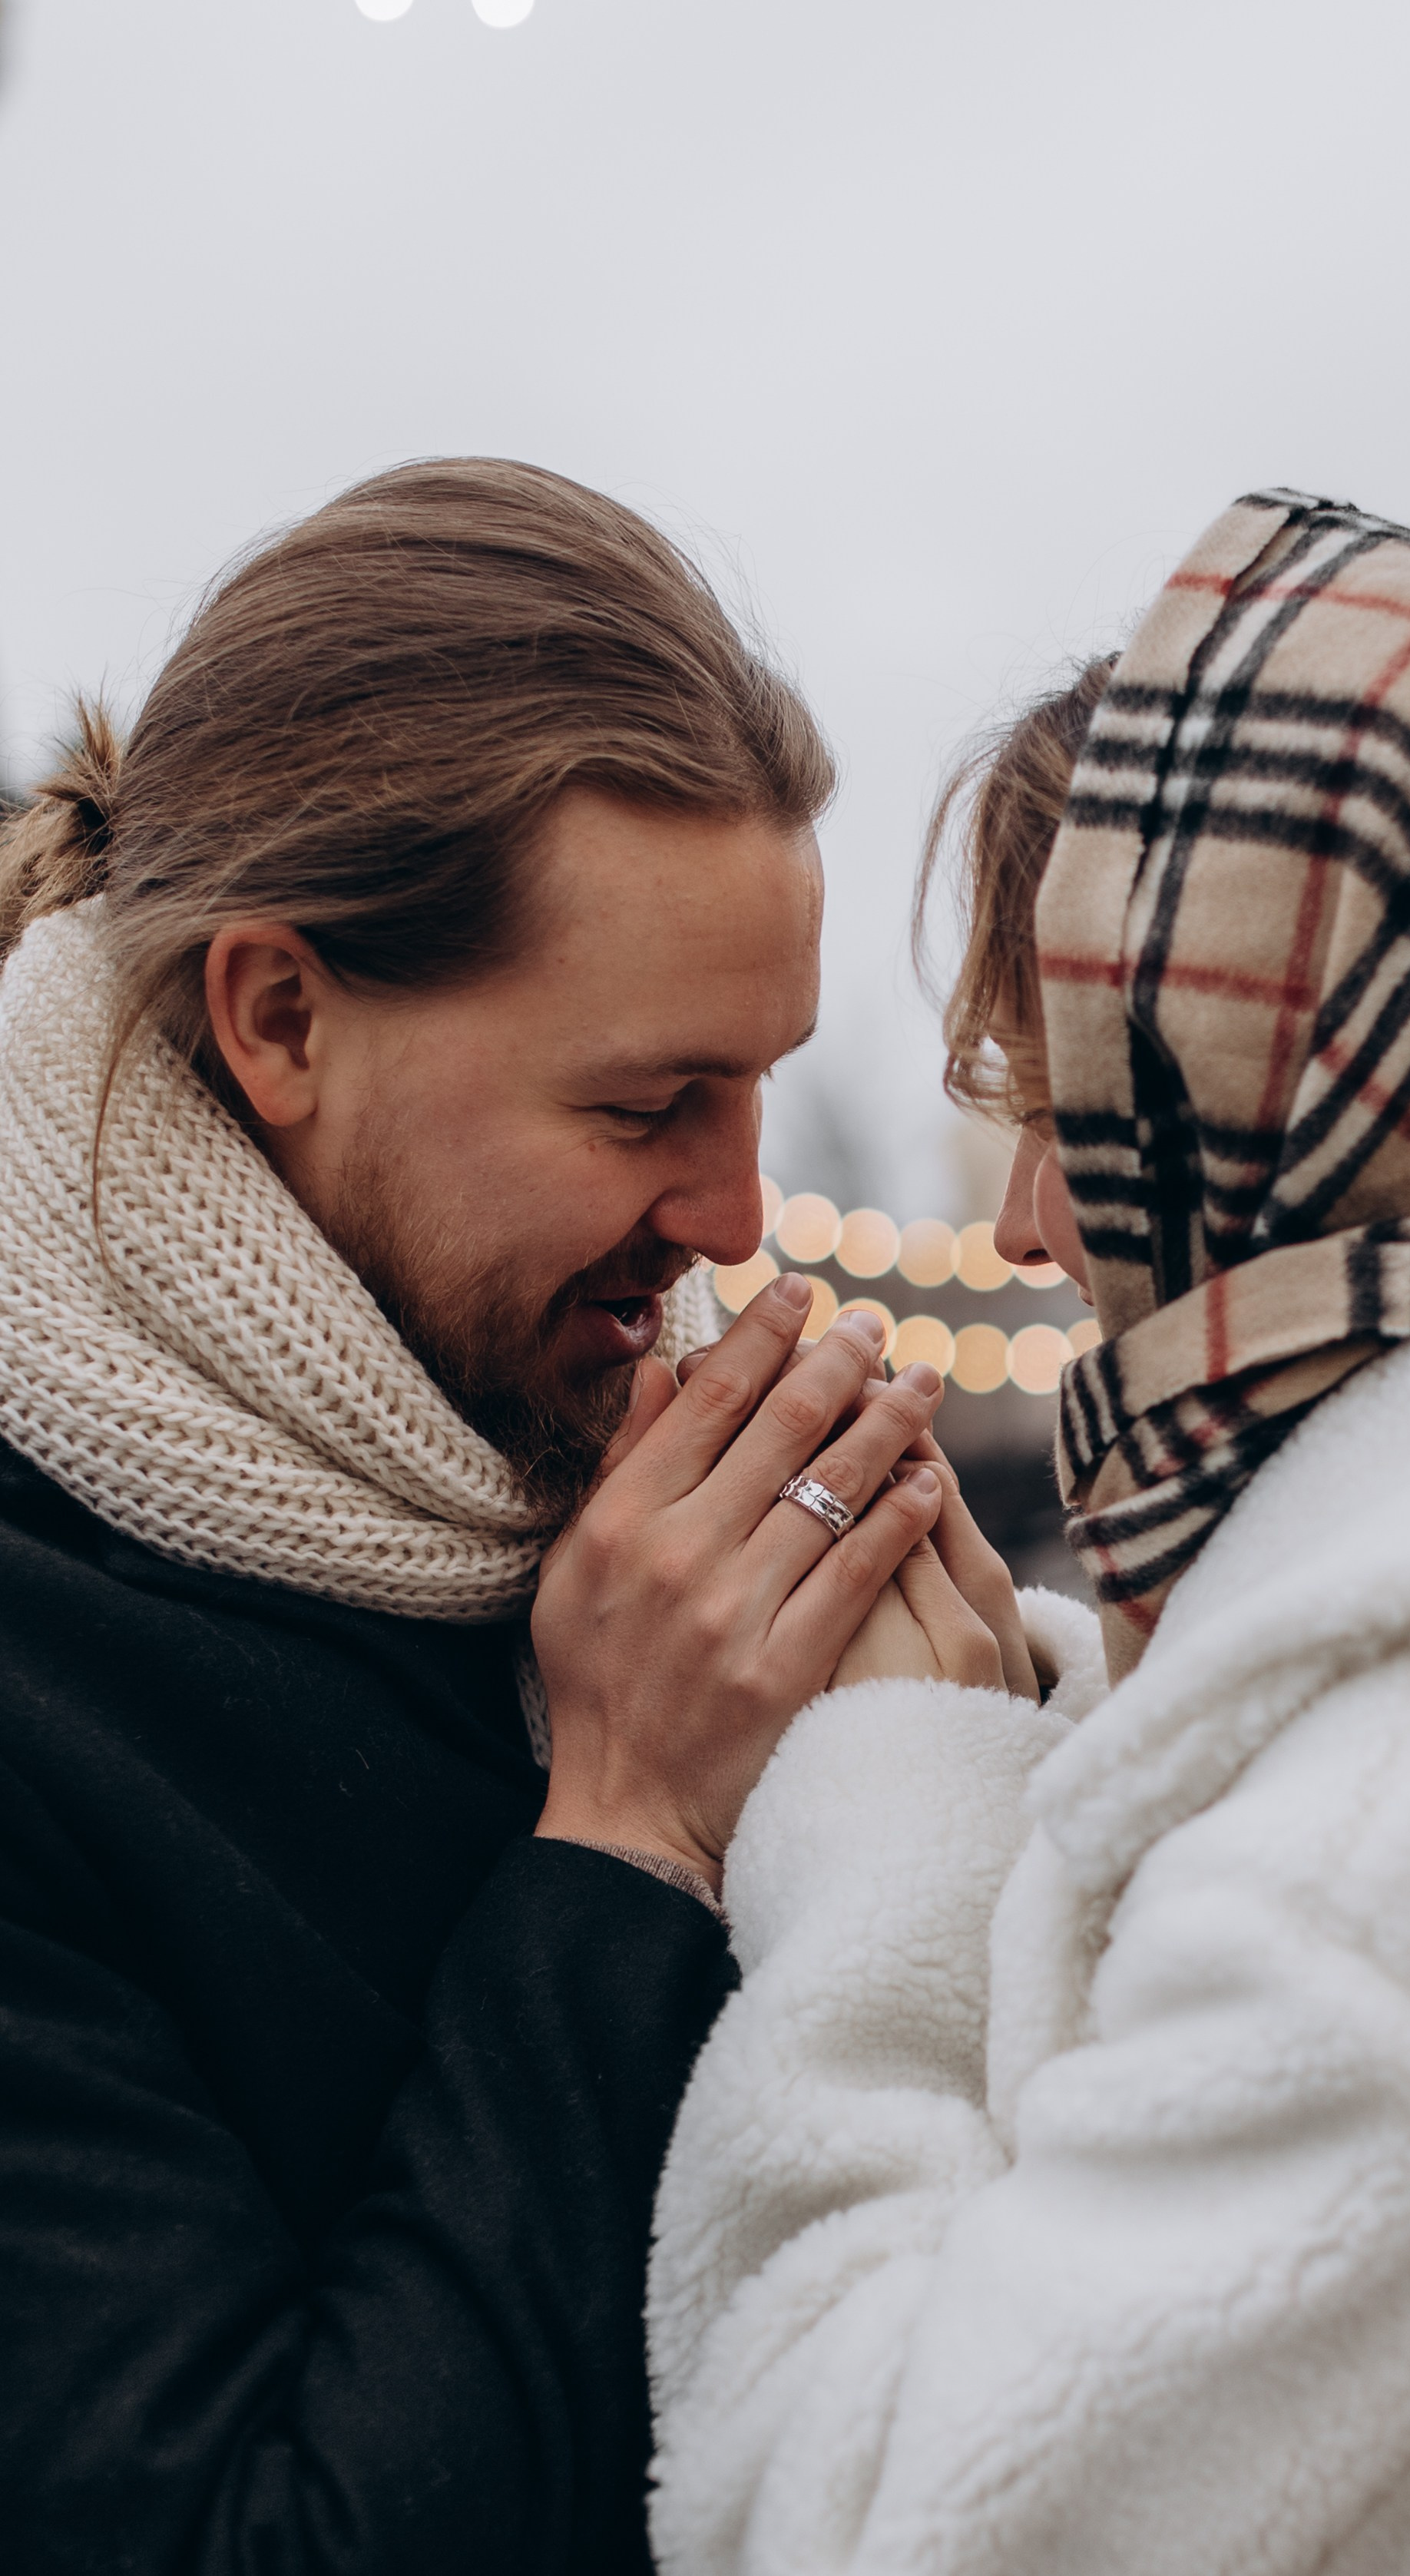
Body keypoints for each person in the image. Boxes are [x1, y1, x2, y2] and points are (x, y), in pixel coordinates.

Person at [646, 489, 1410, 2574]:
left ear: (1302, 1098)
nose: (1030, 1218)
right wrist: (1061, 1739)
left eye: (1079, 1112)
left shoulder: (1408, 1858)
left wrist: (888, 1808)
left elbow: (873, 2531)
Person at [0, 455, 1025, 2576]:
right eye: (650, 1104)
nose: (739, 1215)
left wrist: (969, 1780)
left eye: (759, 1088)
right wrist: (629, 1845)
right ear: (279, 1016)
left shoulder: (545, 1495)